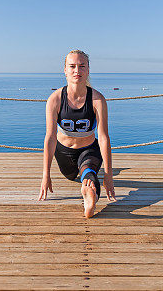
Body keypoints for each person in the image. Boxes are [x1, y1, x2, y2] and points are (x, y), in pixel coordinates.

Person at [38, 49, 116, 217]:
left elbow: (103, 137)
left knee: (89, 173)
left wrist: (109, 174)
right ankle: (84, 180)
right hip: (64, 153)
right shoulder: (55, 99)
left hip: (89, 149)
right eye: (72, 66)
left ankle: (91, 197)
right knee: (73, 175)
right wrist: (46, 175)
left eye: (82, 66)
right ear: (65, 70)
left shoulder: (97, 99)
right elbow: (50, 137)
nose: (77, 70)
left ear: (88, 70)